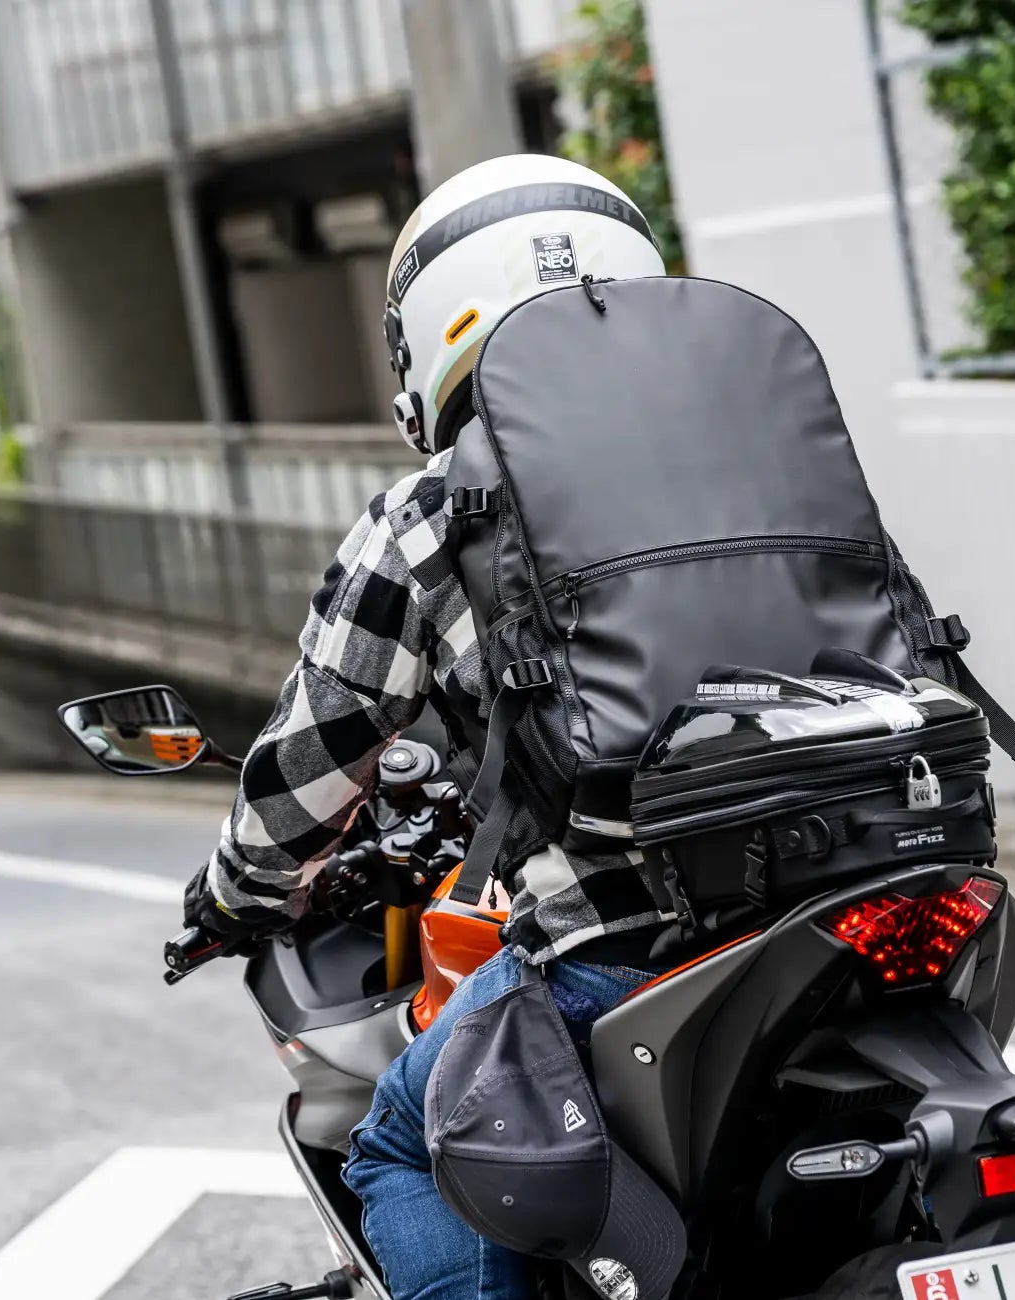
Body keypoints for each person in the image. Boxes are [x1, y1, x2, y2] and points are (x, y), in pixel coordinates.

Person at [182, 154, 673, 1300]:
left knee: (403, 1144)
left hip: (635, 938)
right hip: (903, 874)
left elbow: (311, 761)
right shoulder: (765, 444)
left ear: (436, 335)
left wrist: (237, 892)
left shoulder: (432, 513)